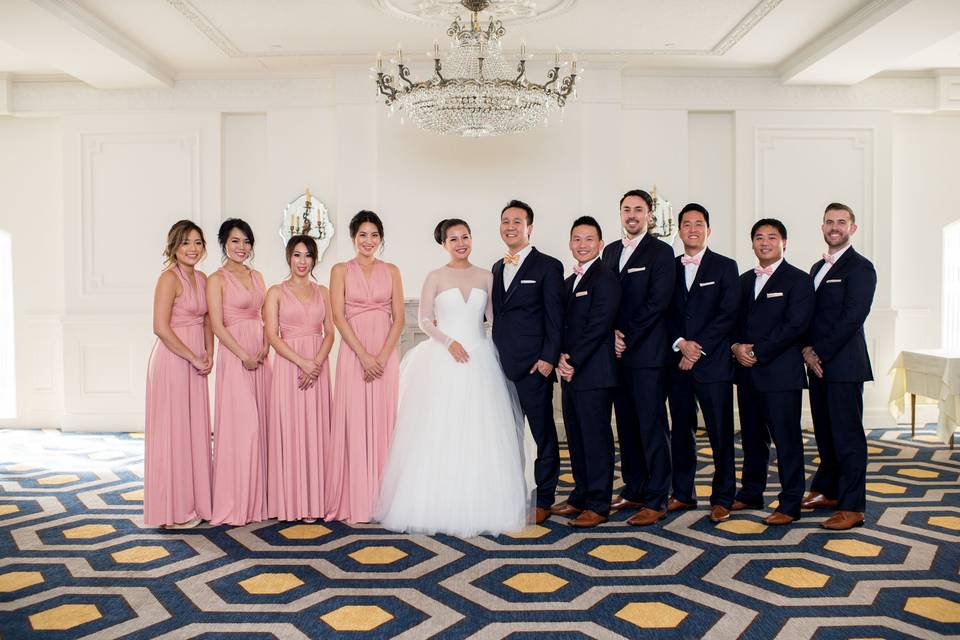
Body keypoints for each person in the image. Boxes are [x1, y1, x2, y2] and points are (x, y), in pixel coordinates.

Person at [376, 219, 528, 537]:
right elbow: (425, 320)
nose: (461, 243)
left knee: (480, 430)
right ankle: (435, 502)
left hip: (480, 356)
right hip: (444, 356)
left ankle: (483, 502)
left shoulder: (488, 276)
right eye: (454, 238)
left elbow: (494, 317)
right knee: (439, 429)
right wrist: (449, 342)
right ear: (444, 243)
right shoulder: (435, 276)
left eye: (466, 237)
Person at [731, 218, 814, 526]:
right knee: (752, 438)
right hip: (747, 373)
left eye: (772, 237)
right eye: (759, 237)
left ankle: (791, 503)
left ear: (784, 243)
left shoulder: (799, 280)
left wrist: (757, 351)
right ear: (752, 243)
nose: (765, 242)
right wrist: (736, 347)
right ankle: (752, 491)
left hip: (780, 374)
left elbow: (795, 325)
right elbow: (730, 322)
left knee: (787, 439)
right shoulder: (742, 281)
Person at [600, 189, 675, 526]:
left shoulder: (661, 252)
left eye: (638, 209)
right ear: (620, 214)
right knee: (626, 426)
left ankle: (657, 498)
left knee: (651, 426)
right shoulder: (611, 251)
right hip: (615, 356)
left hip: (646, 355)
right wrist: (610, 335)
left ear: (649, 215)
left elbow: (657, 304)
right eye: (626, 209)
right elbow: (604, 299)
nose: (632, 215)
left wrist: (625, 336)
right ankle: (634, 488)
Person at [802, 203, 876, 530]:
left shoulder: (861, 268)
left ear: (852, 228)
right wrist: (806, 349)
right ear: (822, 227)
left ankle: (852, 506)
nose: (835, 227)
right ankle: (828, 491)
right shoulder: (817, 266)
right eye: (829, 222)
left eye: (841, 222)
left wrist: (820, 352)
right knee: (826, 433)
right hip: (816, 364)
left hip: (843, 365)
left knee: (848, 437)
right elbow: (806, 314)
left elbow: (852, 318)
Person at [665, 204, 740, 523]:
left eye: (699, 224)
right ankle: (682, 493)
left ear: (709, 230)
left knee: (720, 433)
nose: (692, 229)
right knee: (681, 431)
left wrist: (697, 348)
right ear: (679, 230)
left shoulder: (725, 266)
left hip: (713, 365)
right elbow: (662, 312)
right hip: (677, 364)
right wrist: (681, 344)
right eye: (686, 224)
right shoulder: (667, 267)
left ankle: (723, 497)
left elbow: (729, 313)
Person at [327, 211, 404, 523]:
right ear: (353, 237)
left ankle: (382, 499)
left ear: (381, 238)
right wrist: (364, 355)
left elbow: (399, 318)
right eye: (362, 235)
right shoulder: (340, 270)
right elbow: (337, 316)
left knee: (384, 422)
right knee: (354, 421)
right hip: (354, 353)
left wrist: (382, 357)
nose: (368, 241)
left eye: (374, 235)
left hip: (385, 354)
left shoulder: (393, 270)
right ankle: (355, 498)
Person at [491, 199, 564, 524]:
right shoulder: (496, 267)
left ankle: (544, 497)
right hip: (499, 367)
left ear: (529, 228)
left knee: (543, 433)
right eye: (505, 221)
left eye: (517, 221)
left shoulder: (548, 266)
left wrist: (548, 358)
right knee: (508, 436)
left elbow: (555, 317)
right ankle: (512, 492)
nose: (510, 226)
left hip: (535, 367)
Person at [144, 220, 213, 529]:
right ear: (174, 246)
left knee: (195, 430)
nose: (192, 248)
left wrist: (208, 353)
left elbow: (208, 320)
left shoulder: (202, 278)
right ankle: (172, 509)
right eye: (186, 242)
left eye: (197, 242)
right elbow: (160, 326)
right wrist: (192, 356)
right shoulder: (168, 279)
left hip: (197, 360)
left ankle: (195, 501)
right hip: (173, 361)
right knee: (174, 432)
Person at [553, 216, 621, 528]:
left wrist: (573, 360)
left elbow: (599, 325)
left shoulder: (605, 277)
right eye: (577, 239)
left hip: (594, 372)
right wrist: (560, 358)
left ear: (600, 244)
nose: (582, 245)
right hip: (570, 372)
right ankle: (580, 495)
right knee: (577, 439)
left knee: (596, 439)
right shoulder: (569, 283)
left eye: (589, 239)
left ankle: (598, 503)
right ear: (570, 244)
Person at [264, 235, 335, 523]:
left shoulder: (325, 292)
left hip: (318, 366)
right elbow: (271, 334)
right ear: (288, 258)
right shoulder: (275, 292)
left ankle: (314, 501)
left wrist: (316, 362)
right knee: (290, 429)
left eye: (307, 255)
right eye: (297, 255)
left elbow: (330, 332)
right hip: (288, 365)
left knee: (315, 429)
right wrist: (302, 362)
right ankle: (290, 501)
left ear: (314, 259)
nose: (302, 261)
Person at [207, 218, 271, 526]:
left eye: (246, 242)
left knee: (263, 426)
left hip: (260, 355)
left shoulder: (257, 276)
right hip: (235, 356)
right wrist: (243, 354)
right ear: (224, 244)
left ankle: (260, 500)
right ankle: (237, 501)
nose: (241, 247)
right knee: (242, 428)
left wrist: (265, 348)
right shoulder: (216, 279)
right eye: (235, 241)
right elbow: (217, 325)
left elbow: (265, 316)